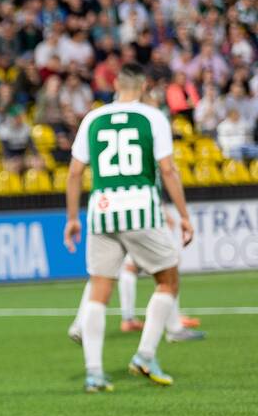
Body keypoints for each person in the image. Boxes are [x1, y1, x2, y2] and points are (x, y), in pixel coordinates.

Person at [64, 63, 193, 392]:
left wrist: (72, 218)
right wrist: (184, 215)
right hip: (140, 209)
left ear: (116, 85)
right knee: (168, 281)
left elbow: (75, 172)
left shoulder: (93, 118)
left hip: (102, 210)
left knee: (99, 289)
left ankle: (94, 372)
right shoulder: (153, 117)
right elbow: (168, 169)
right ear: (145, 85)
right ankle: (145, 355)